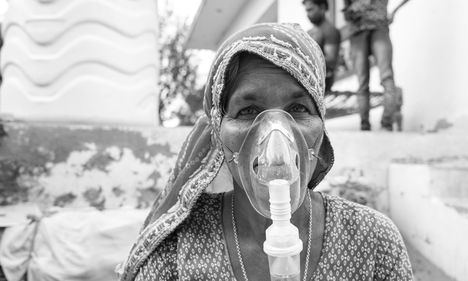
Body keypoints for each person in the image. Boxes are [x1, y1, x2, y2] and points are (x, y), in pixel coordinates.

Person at [118, 23, 413, 281]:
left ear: (321, 127)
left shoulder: (373, 242)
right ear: (218, 131)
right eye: (248, 111)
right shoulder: (178, 248)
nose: (275, 137)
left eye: (298, 109)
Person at [343, 0, 410, 131]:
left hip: (379, 28)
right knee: (364, 82)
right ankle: (365, 125)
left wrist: (395, 11)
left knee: (386, 77)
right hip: (357, 31)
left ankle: (386, 123)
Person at [303, 0, 341, 94]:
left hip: (321, 84)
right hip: (307, 80)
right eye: (307, 11)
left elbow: (331, 61)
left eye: (311, 10)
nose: (308, 14)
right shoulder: (309, 32)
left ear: (322, 7)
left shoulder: (330, 31)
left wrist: (305, 58)